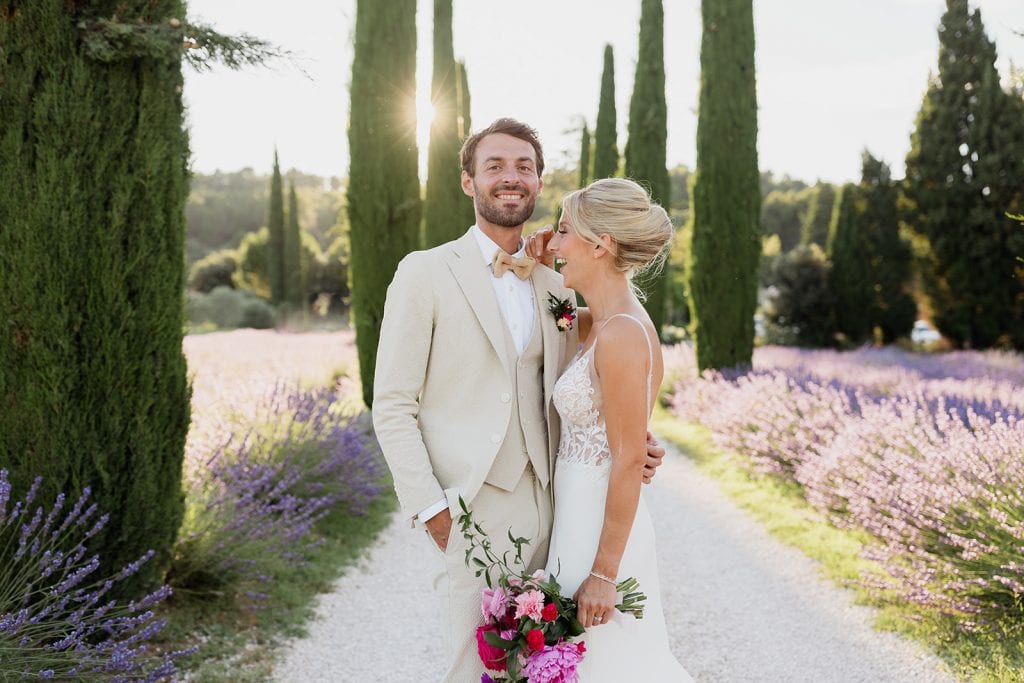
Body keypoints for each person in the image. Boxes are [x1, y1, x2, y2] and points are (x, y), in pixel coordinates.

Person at [372, 119, 666, 682]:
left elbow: (620, 356)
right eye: (495, 166)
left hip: (559, 510)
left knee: (552, 669)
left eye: (525, 167)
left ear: (538, 181)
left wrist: (637, 442)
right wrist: (431, 508)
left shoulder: (558, 287)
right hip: (470, 510)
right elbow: (391, 404)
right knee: (470, 666)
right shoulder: (425, 273)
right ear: (468, 182)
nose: (511, 177)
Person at [529, 177, 692, 679]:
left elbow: (626, 458)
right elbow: (556, 319)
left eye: (563, 231)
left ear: (602, 245)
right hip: (577, 516)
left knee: (607, 665)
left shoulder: (622, 333)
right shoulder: (596, 323)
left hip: (598, 529)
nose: (554, 243)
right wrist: (536, 265)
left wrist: (603, 572)